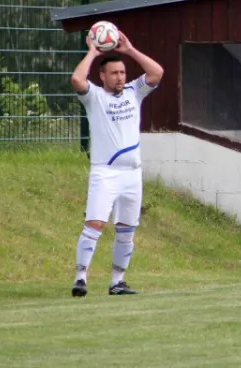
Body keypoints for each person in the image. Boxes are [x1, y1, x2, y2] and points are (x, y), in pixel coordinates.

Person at [70, 32, 164, 297]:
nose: (120, 77)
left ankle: (117, 282)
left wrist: (131, 50)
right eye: (114, 73)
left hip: (132, 173)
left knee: (126, 229)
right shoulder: (95, 97)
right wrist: (92, 53)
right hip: (105, 172)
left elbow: (157, 73)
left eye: (122, 72)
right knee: (95, 224)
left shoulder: (135, 91)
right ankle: (81, 278)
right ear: (102, 76)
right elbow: (77, 80)